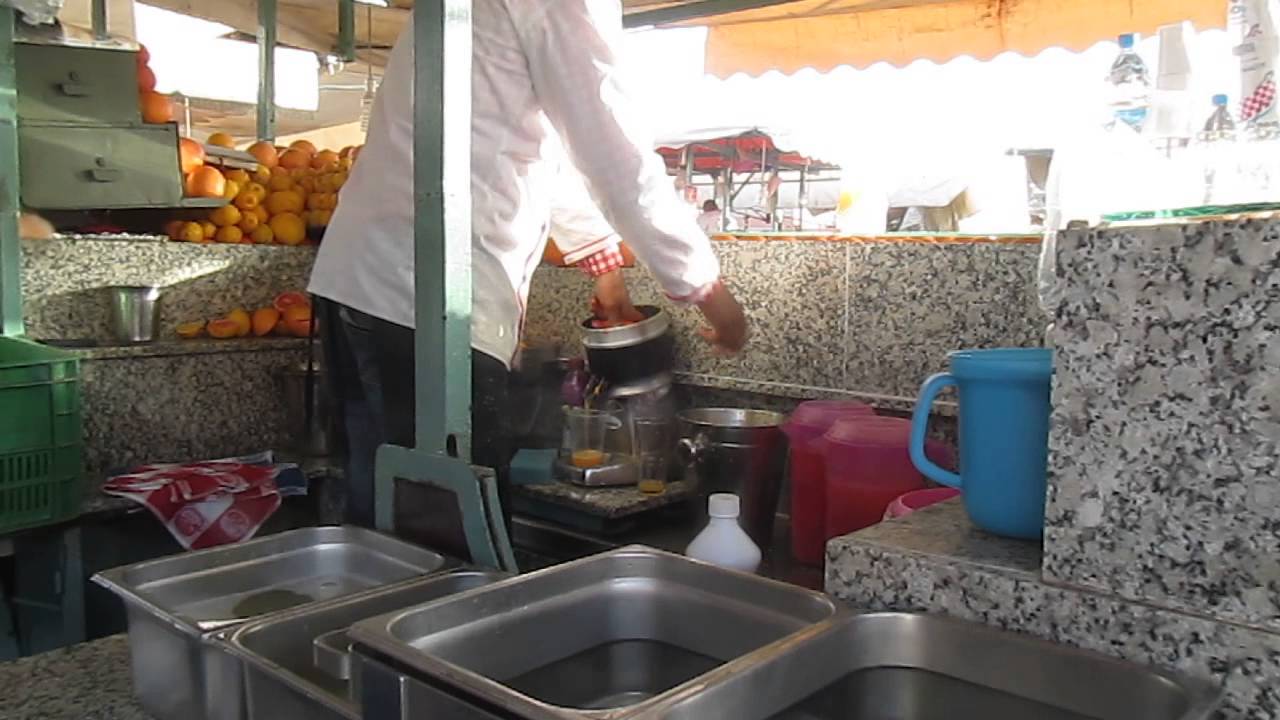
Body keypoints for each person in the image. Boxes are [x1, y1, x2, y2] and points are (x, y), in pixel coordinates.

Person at [308, 1, 748, 528]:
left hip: (367, 281)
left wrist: (603, 266)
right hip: (424, 299)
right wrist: (707, 290)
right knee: (442, 535)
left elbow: (534, 147)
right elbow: (614, 155)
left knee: (384, 516)